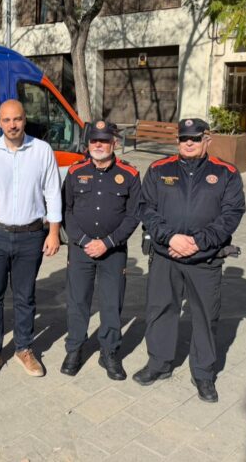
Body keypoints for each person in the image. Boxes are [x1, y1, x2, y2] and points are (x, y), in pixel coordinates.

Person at [133, 118, 246, 403]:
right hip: (165, 254)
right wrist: (170, 237)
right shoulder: (160, 169)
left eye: (195, 138)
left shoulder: (226, 173)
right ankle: (158, 363)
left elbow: (232, 214)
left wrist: (198, 241)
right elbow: (146, 208)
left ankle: (204, 374)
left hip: (205, 260)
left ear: (207, 139)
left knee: (205, 317)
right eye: (184, 138)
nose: (189, 143)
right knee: (161, 309)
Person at [0, 99, 62, 382]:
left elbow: (53, 193)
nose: (13, 125)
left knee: (25, 297)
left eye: (18, 119)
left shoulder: (42, 151)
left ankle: (24, 348)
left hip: (31, 236)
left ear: (25, 119)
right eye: (7, 120)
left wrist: (54, 231)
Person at [61, 121, 141, 380]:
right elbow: (66, 211)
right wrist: (84, 240)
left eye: (104, 141)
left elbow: (133, 214)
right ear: (88, 144)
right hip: (80, 249)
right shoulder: (75, 172)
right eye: (94, 141)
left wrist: (107, 242)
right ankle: (74, 349)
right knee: (77, 302)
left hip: (113, 251)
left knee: (111, 303)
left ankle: (109, 352)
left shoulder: (130, 174)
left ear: (114, 143)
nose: (98, 145)